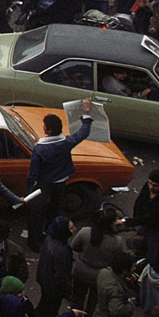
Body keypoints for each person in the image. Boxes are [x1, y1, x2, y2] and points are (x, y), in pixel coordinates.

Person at [25, 97, 94, 249]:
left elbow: (33, 172)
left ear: (48, 130)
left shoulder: (40, 149)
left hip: (43, 184)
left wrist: (29, 187)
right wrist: (86, 112)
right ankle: (51, 235)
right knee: (55, 210)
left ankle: (35, 243)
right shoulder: (67, 143)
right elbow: (84, 131)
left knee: (37, 213)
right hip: (60, 182)